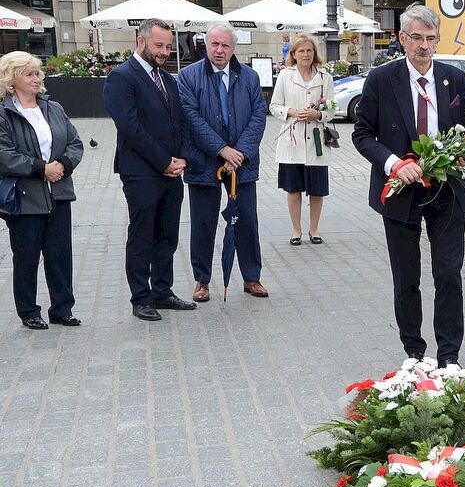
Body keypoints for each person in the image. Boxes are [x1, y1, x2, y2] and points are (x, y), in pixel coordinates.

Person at [352, 4, 465, 366]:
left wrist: (464, 153)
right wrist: (394, 163)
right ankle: (415, 352)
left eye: (430, 39)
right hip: (400, 193)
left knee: (448, 274)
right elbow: (362, 134)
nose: (424, 46)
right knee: (407, 277)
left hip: (445, 191)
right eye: (416, 38)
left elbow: (461, 130)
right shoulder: (381, 79)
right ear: (402, 39)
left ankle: (449, 356)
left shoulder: (454, 77)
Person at [103, 18, 196, 321]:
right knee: (142, 235)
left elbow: (179, 122)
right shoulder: (121, 77)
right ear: (140, 41)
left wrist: (180, 159)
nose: (165, 52)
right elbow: (130, 128)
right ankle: (141, 297)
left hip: (171, 172)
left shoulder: (168, 79)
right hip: (141, 172)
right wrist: (164, 161)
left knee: (167, 234)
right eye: (159, 45)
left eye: (169, 46)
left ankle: (163, 291)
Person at [178, 23, 268, 303]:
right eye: (214, 44)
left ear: (233, 47)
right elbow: (190, 118)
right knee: (202, 223)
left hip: (241, 163)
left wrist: (238, 152)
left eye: (225, 45)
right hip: (203, 161)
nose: (219, 50)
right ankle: (202, 281)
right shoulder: (188, 76)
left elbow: (258, 116)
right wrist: (221, 149)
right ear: (206, 44)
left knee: (246, 221)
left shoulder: (250, 77)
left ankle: (251, 276)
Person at [0, 51, 83, 329]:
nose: (36, 79)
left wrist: (63, 164)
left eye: (38, 73)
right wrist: (41, 168)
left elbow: (75, 142)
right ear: (12, 79)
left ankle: (62, 309)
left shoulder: (53, 108)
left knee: (60, 255)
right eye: (29, 74)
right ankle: (29, 311)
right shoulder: (4, 113)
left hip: (59, 193)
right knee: (26, 257)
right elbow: (4, 155)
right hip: (24, 197)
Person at [270, 33, 336, 246]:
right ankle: (296, 230)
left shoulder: (325, 77)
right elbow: (274, 106)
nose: (305, 54)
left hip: (316, 141)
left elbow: (332, 109)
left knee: (317, 189)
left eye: (309, 50)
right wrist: (292, 111)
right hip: (293, 140)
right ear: (294, 54)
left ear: (314, 53)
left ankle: (314, 229)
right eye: (301, 51)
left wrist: (318, 114)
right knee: (294, 188)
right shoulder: (285, 76)